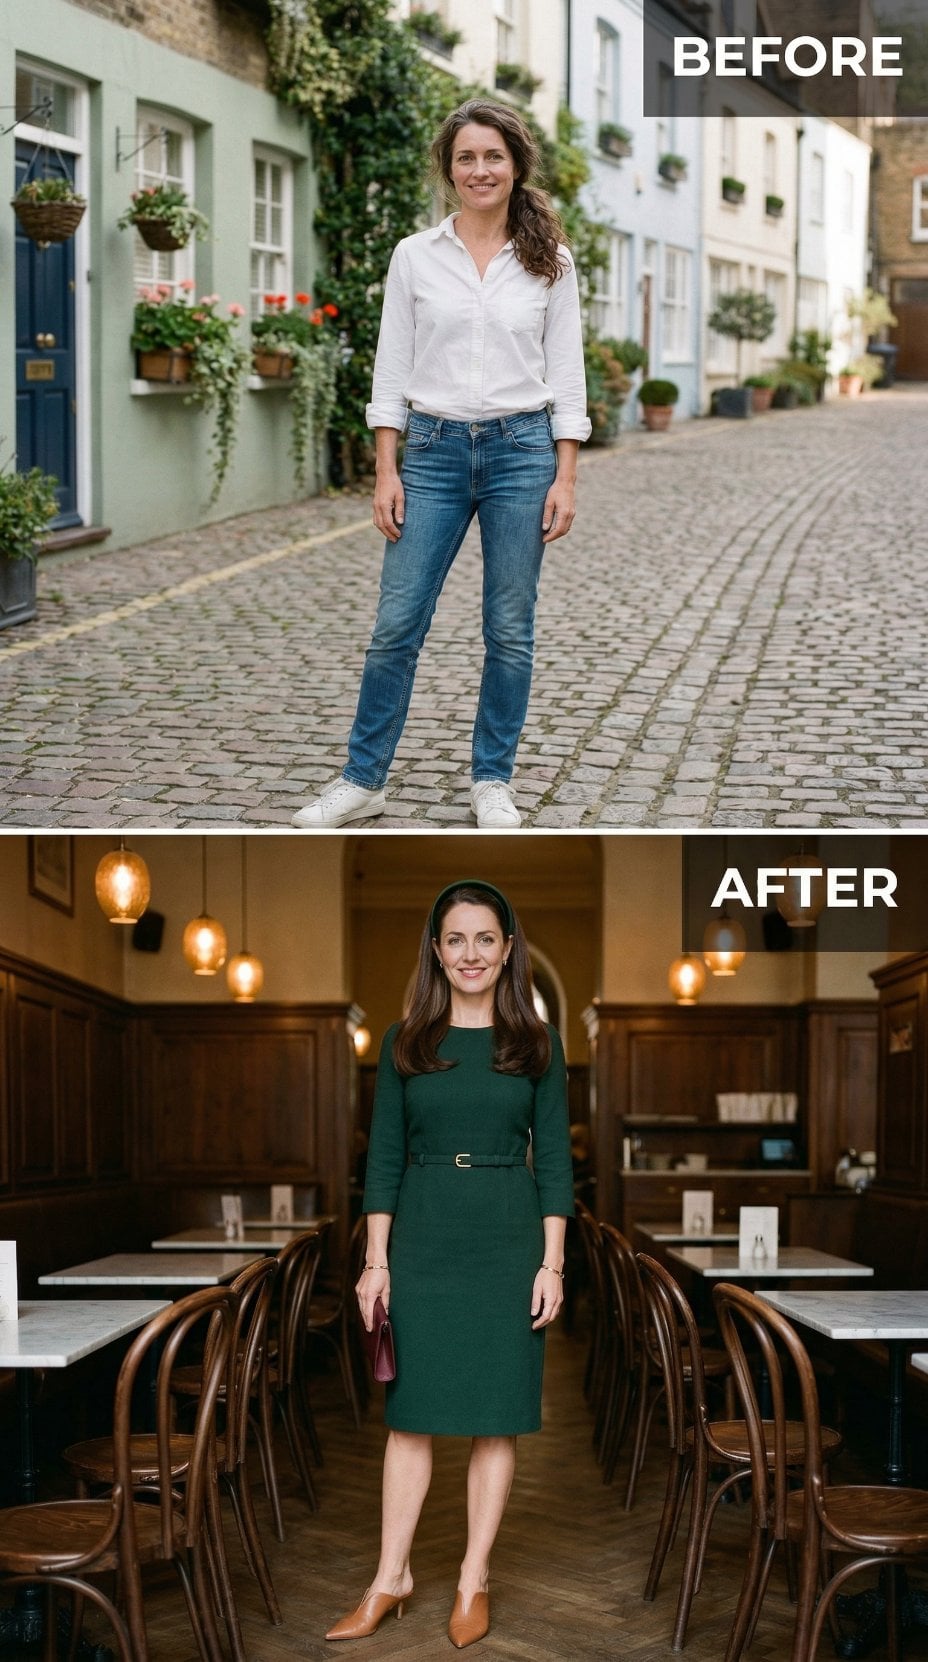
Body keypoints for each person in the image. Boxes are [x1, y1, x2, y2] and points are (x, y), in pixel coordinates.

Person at [293, 99, 590, 833]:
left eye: (493, 156)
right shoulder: (414, 256)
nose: (480, 170)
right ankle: (363, 780)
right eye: (466, 158)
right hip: (429, 454)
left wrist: (566, 474)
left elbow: (568, 372)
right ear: (449, 168)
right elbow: (391, 367)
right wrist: (385, 470)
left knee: (509, 629)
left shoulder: (550, 261)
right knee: (397, 623)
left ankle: (493, 781)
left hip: (522, 454)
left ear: (516, 165)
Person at [325, 880, 574, 1648]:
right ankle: (389, 1577)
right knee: (410, 1421)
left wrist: (553, 1264)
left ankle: (473, 1578)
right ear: (437, 951)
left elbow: (558, 1161)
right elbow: (386, 1161)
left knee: (494, 1423)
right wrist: (376, 1263)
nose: (471, 953)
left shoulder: (535, 1044)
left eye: (485, 939)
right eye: (456, 939)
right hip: (423, 1239)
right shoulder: (407, 1040)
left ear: (507, 950)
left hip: (506, 1238)